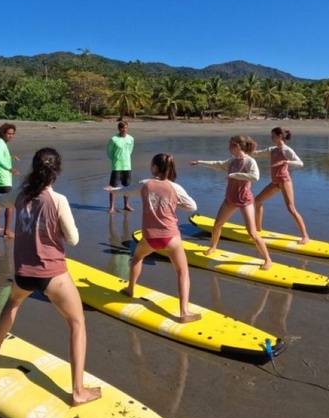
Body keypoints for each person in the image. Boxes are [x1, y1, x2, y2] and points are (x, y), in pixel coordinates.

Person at [0, 147, 102, 407]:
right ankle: (77, 391)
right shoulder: (58, 200)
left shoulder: (20, 196)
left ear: (33, 168)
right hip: (53, 275)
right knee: (77, 323)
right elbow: (74, 240)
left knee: (13, 304)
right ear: (56, 171)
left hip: (23, 273)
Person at [106, 153, 201, 323]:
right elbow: (192, 207)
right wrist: (175, 204)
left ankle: (130, 290)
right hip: (171, 238)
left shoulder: (145, 184)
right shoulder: (175, 188)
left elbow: (125, 191)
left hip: (149, 237)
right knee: (182, 272)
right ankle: (184, 312)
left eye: (152, 165)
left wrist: (112, 190)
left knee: (136, 258)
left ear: (155, 168)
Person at [190, 135, 272, 270]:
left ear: (238, 146)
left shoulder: (250, 162)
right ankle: (213, 246)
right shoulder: (232, 161)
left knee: (252, 232)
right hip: (230, 199)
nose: (229, 149)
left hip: (245, 200)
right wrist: (199, 162)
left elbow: (255, 177)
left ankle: (268, 259)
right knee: (217, 225)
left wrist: (235, 175)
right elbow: (218, 164)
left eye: (230, 146)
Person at [252, 127, 310, 244]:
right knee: (257, 200)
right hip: (275, 182)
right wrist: (245, 152)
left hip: (284, 181)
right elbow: (257, 154)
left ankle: (305, 236)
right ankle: (258, 228)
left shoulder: (286, 150)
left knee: (291, 208)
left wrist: (287, 162)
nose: (271, 138)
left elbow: (300, 163)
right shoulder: (272, 150)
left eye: (273, 136)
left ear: (279, 137)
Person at [0, 122, 20, 238]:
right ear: (3, 133)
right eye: (9, 133)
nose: (11, 136)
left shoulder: (1, 144)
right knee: (10, 203)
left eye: (13, 134)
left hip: (0, 177)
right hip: (2, 177)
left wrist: (11, 158)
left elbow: (1, 157)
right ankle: (7, 231)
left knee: (0, 201)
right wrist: (10, 168)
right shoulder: (0, 144)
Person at [107, 120, 135, 214]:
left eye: (126, 128)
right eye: (122, 128)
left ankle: (126, 205)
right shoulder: (114, 139)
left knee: (127, 186)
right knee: (113, 187)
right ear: (119, 129)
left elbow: (130, 150)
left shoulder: (131, 139)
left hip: (127, 165)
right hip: (117, 166)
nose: (124, 129)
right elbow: (109, 152)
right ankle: (112, 207)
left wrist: (125, 159)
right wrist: (115, 160)